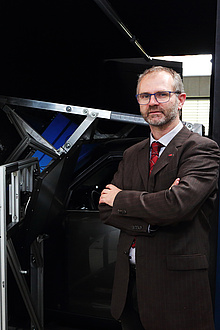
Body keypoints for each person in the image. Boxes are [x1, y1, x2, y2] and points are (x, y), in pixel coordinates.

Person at [98, 66, 220, 330]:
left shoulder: (201, 149)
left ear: (181, 99)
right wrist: (154, 216)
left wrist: (121, 199)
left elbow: (177, 206)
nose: (152, 102)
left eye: (162, 94)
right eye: (145, 96)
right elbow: (105, 210)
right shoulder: (132, 153)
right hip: (129, 288)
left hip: (176, 291)